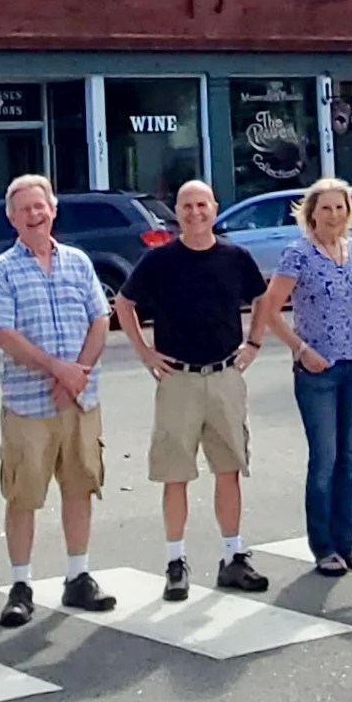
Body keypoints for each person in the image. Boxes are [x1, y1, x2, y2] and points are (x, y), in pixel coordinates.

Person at [114, 178, 271, 600]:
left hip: (224, 376)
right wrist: (145, 352)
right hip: (177, 379)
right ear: (177, 213)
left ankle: (233, 556)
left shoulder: (235, 257)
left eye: (202, 205)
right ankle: (176, 561)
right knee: (175, 474)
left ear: (215, 208)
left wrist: (254, 343)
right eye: (187, 206)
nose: (195, 213)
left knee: (229, 469)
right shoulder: (159, 260)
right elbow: (124, 304)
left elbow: (263, 298)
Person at [0, 174, 119, 627]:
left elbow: (100, 320)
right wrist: (57, 370)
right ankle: (21, 586)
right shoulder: (2, 270)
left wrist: (78, 373)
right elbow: (5, 334)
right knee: (23, 494)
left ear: (53, 210)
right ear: (11, 218)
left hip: (80, 400)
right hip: (28, 404)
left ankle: (78, 576)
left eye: (39, 207)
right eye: (24, 210)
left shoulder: (78, 262)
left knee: (80, 486)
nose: (34, 215)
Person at [256, 176, 352, 575]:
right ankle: (323, 546)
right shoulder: (299, 254)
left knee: (348, 458)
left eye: (340, 207)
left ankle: (348, 543)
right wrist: (300, 349)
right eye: (325, 208)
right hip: (317, 369)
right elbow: (270, 309)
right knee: (325, 458)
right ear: (312, 213)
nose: (333, 215)